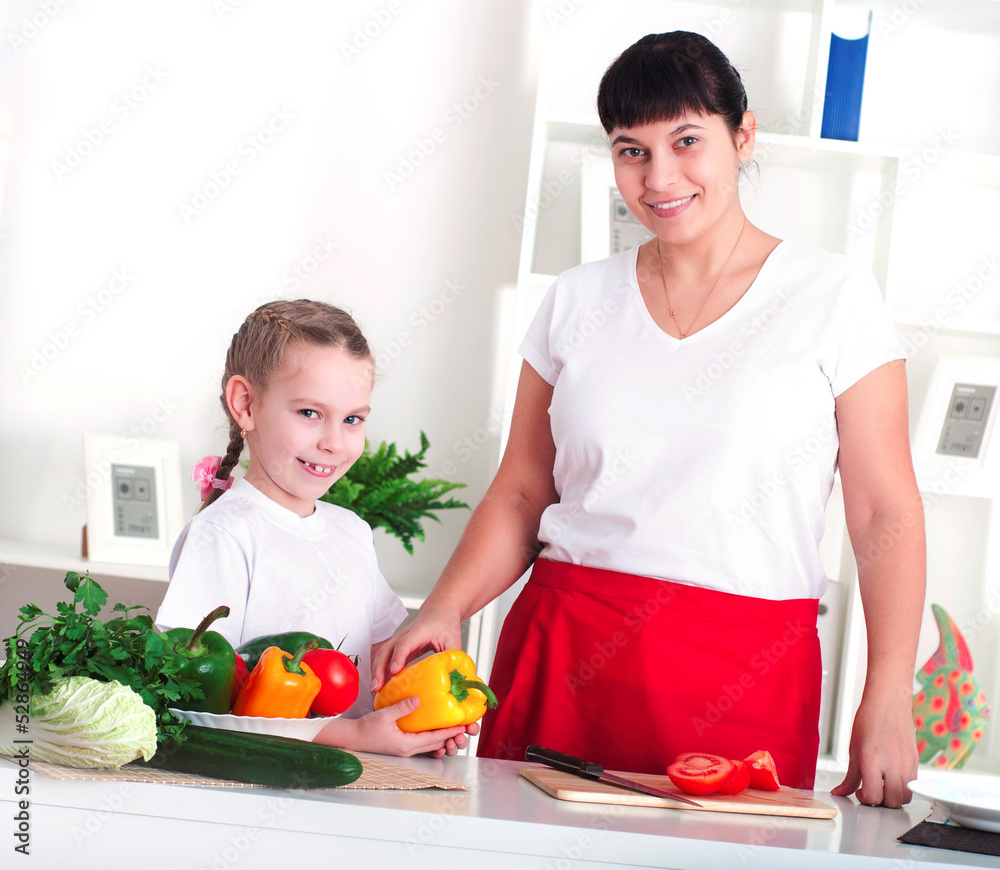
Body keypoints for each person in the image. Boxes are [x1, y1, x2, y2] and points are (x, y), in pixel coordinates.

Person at [373, 32, 925, 804]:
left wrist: (888, 691)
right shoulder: (575, 299)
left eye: (687, 141)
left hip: (746, 673)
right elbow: (524, 492)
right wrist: (444, 607)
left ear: (744, 136)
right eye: (631, 151)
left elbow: (883, 511)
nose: (659, 177)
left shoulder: (834, 298)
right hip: (565, 657)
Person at [156, 299, 474, 757]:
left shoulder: (352, 531)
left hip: (365, 776)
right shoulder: (224, 533)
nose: (333, 442)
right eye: (309, 413)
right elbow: (200, 700)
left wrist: (427, 708)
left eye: (352, 420)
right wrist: (357, 737)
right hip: (266, 779)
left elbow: (384, 655)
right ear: (245, 404)